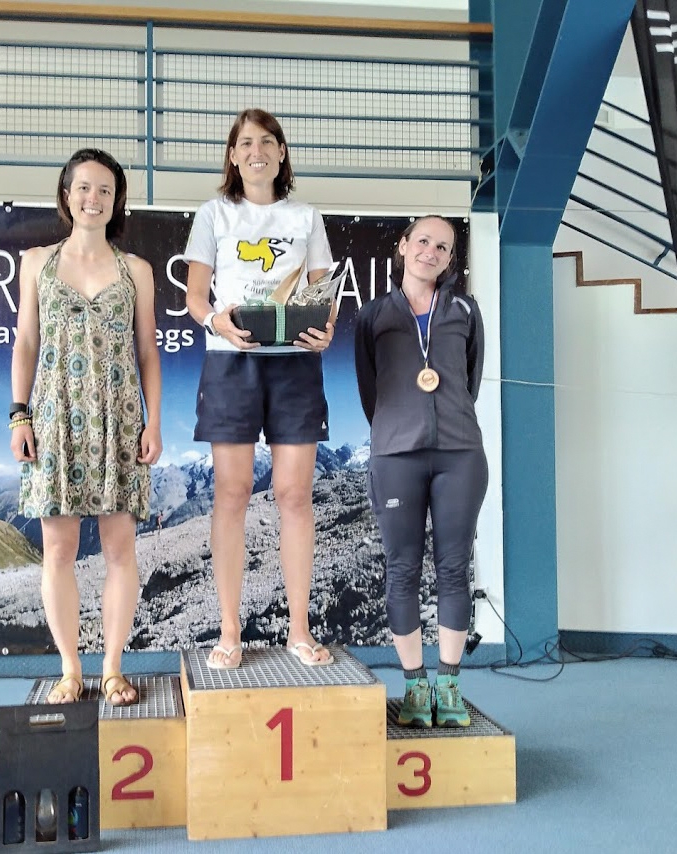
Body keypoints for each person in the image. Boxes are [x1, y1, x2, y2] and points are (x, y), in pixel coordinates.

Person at [183, 108, 338, 669]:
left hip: (294, 366)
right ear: (232, 155)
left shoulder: (306, 217)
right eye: (246, 142)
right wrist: (215, 323)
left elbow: (325, 294)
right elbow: (196, 297)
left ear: (281, 153)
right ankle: (230, 632)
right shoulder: (213, 215)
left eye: (267, 142)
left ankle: (299, 629)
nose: (257, 151)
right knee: (232, 494)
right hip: (231, 364)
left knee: (295, 497)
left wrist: (324, 329)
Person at [12, 148, 163, 706]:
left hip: (120, 418)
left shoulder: (138, 272)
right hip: (54, 419)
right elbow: (26, 343)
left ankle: (115, 669)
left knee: (121, 547)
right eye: (83, 188)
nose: (93, 198)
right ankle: (71, 670)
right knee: (59, 549)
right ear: (66, 194)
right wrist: (19, 413)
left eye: (104, 189)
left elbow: (147, 350)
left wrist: (153, 422)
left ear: (117, 200)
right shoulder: (36, 262)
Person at [354, 215, 485, 727]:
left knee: (454, 568)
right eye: (423, 241)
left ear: (450, 260)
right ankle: (413, 687)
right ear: (403, 246)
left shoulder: (465, 312)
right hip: (395, 455)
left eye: (443, 247)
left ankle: (448, 685)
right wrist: (398, 425)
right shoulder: (372, 316)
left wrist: (444, 418)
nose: (431, 252)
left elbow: (468, 381)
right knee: (402, 569)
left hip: (459, 453)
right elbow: (371, 389)